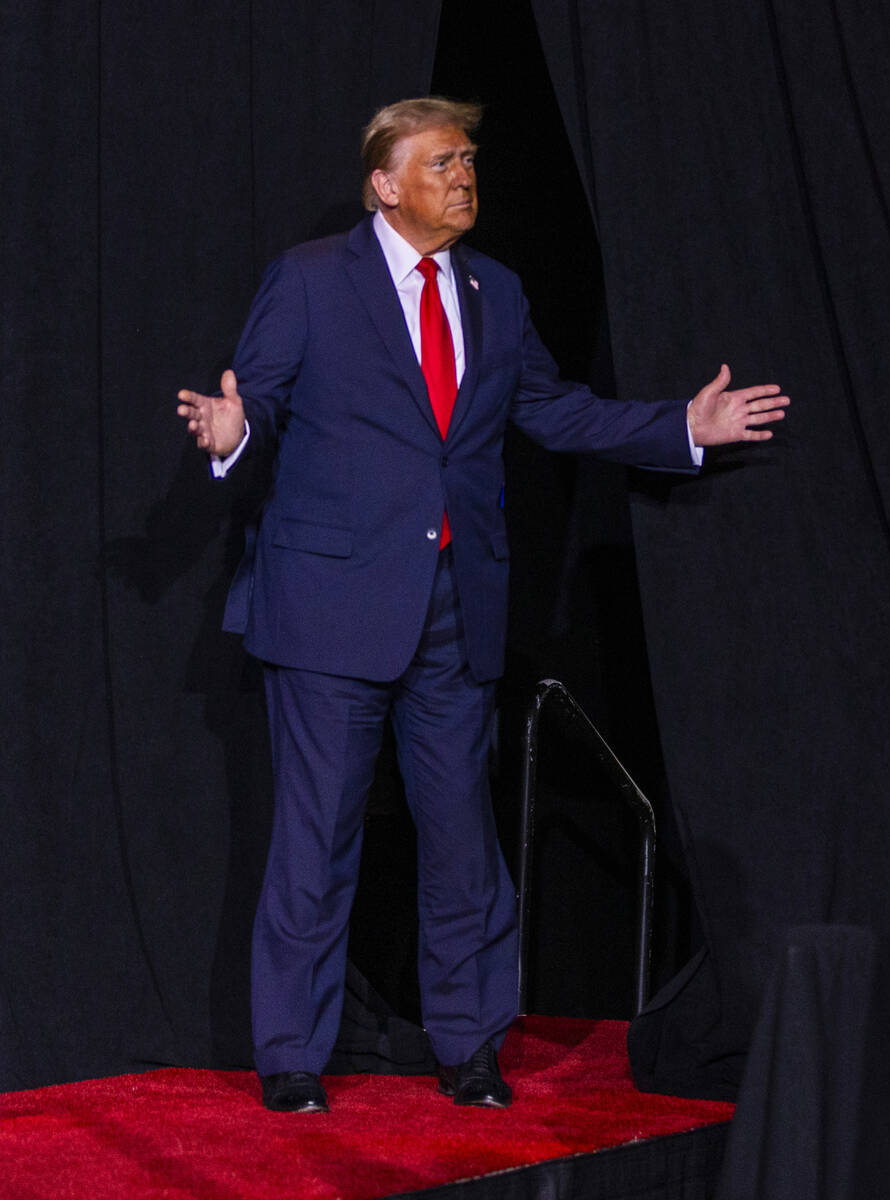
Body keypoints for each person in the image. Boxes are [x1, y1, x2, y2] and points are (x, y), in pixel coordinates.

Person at [177, 96, 788, 1114]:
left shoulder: (494, 291)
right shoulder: (311, 278)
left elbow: (549, 407)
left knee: (461, 840)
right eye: (441, 161)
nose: (463, 176)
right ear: (383, 181)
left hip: (455, 607)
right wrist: (232, 429)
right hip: (329, 604)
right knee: (315, 838)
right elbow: (264, 402)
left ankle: (468, 1046)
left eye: (468, 160)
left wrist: (679, 425)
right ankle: (290, 1054)